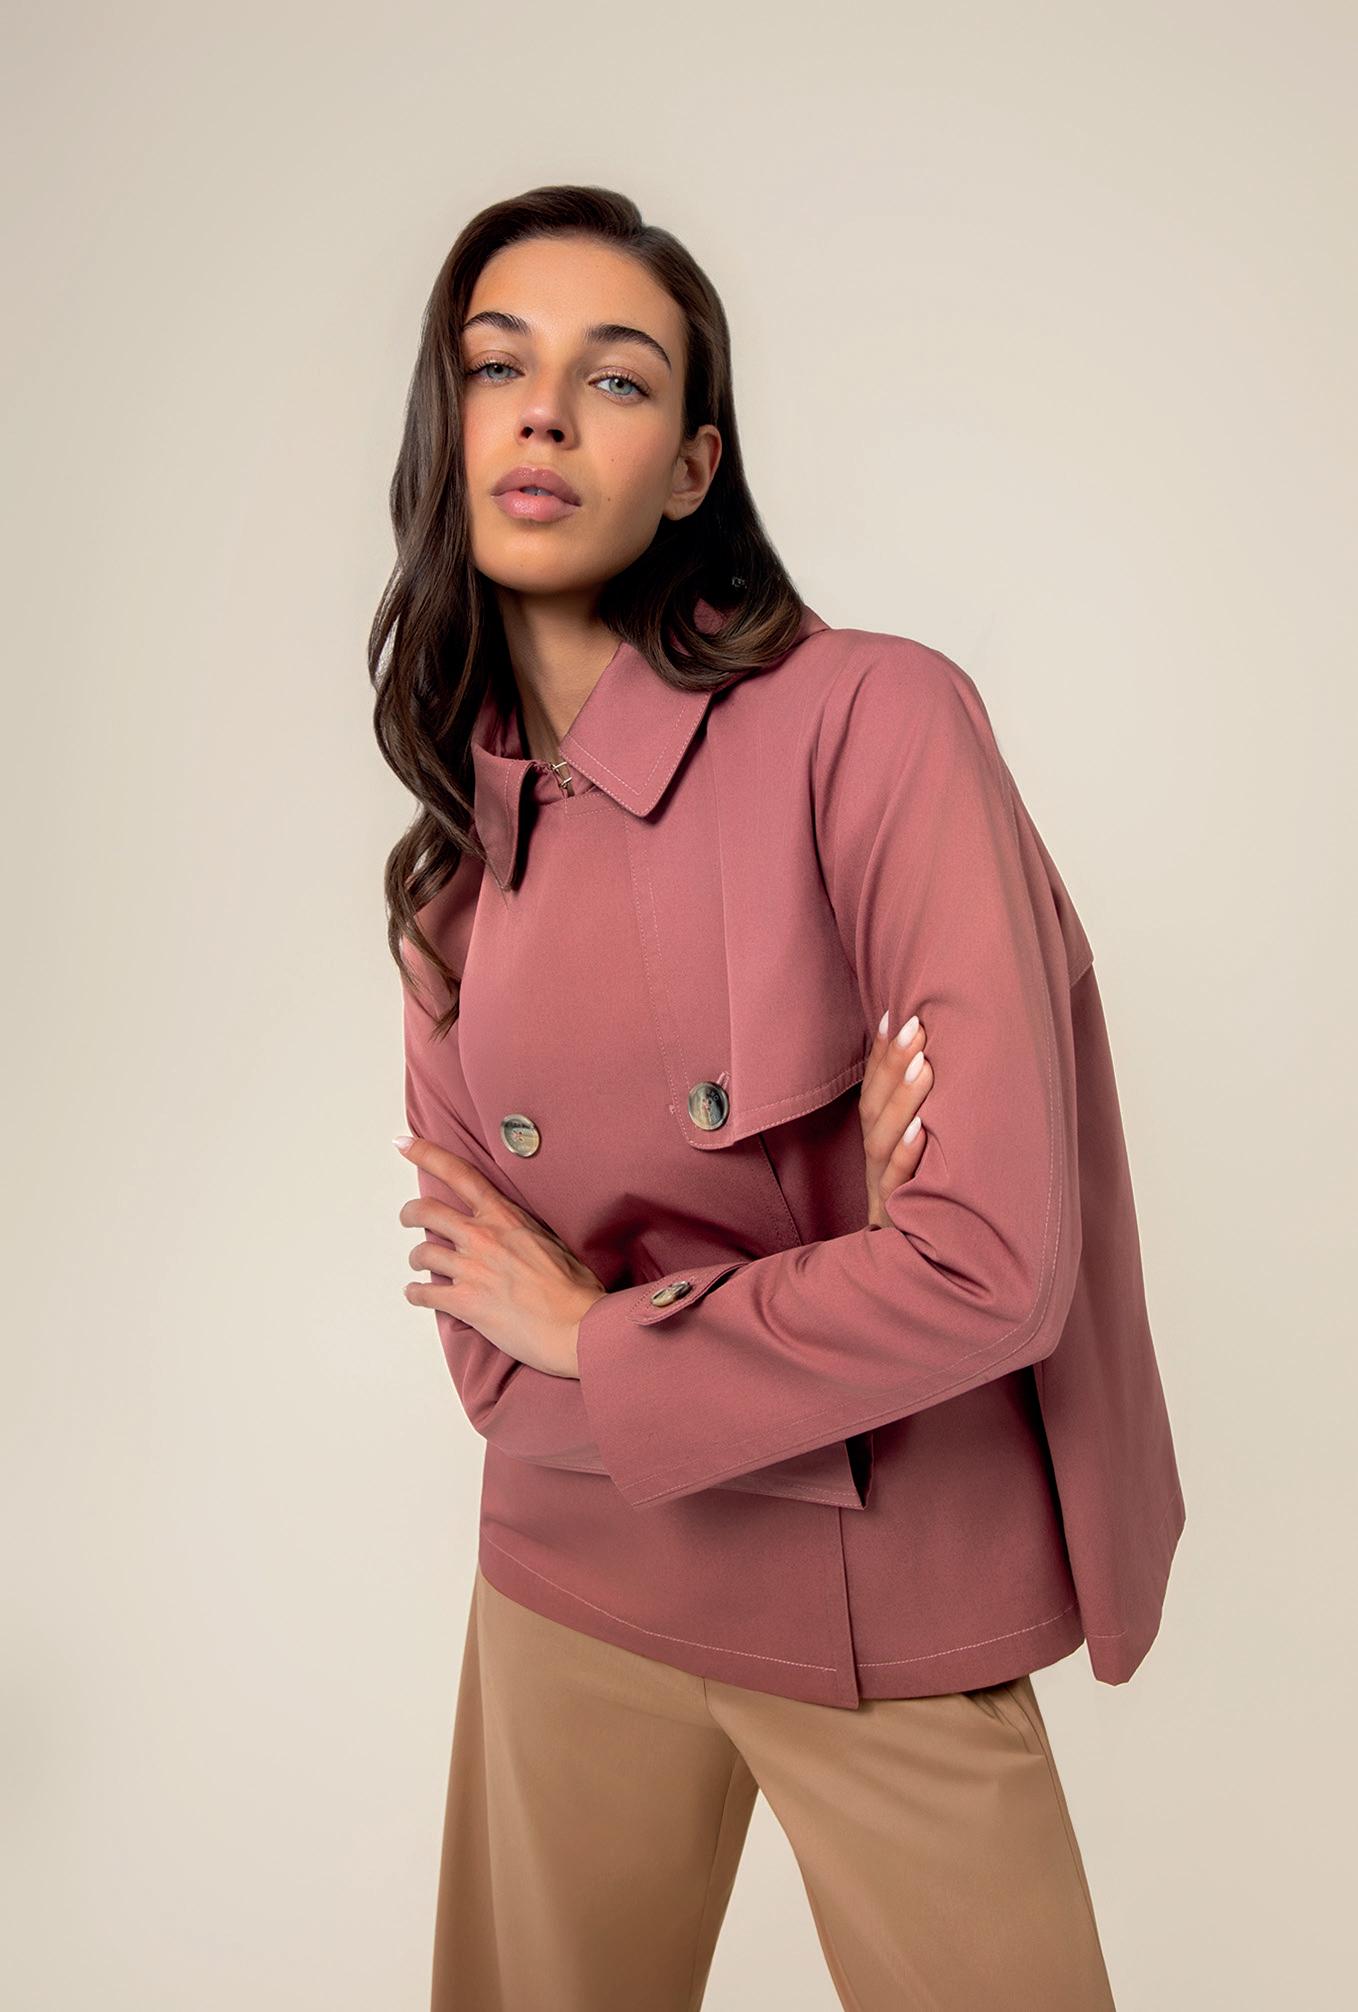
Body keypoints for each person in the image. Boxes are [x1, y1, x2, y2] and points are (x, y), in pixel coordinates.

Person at [373, 183, 1185, 2011]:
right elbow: (490, 1370)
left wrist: (600, 1330)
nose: (543, 413)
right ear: (446, 424)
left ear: (692, 468)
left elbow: (988, 1269)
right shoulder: (449, 884)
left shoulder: (874, 722)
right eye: (496, 366)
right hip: (565, 1582)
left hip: (887, 1593)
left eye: (615, 377)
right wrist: (824, 1277)